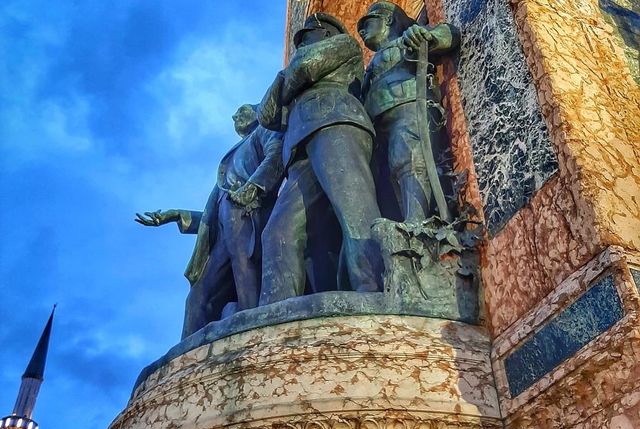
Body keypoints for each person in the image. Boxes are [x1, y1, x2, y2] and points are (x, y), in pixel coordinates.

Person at [257, 12, 384, 305]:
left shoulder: (344, 44)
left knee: (355, 213)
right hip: (300, 146)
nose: (301, 44)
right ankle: (275, 309)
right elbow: (267, 115)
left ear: (324, 34)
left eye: (307, 38)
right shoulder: (291, 70)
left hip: (337, 122)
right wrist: (285, 76)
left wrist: (290, 76)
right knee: (277, 231)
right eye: (298, 41)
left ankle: (376, 289)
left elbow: (306, 67)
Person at [136, 104, 284, 338]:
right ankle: (188, 352)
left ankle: (254, 331)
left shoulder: (266, 131)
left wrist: (253, 187)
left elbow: (276, 155)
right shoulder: (234, 155)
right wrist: (175, 214)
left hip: (249, 215)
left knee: (245, 271)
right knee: (198, 295)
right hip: (225, 229)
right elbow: (211, 217)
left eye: (242, 110)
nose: (235, 115)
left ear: (259, 111)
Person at [358, 2, 460, 223]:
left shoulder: (407, 40)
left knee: (409, 158)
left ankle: (417, 221)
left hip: (408, 106)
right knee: (389, 174)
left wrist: (427, 36)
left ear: (389, 20)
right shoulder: (370, 66)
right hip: (377, 127)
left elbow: (450, 33)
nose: (362, 31)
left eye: (367, 23)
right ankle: (406, 220)